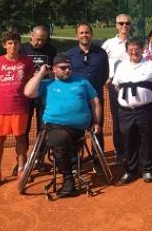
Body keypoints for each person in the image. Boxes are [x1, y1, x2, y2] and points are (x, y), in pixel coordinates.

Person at [24, 54, 102, 197]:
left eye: (69, 68)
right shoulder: (47, 84)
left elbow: (95, 102)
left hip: (78, 129)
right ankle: (68, 179)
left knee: (63, 139)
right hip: (55, 126)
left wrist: (96, 121)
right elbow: (28, 92)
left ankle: (69, 165)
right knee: (60, 138)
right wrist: (41, 73)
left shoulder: (82, 82)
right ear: (54, 69)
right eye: (63, 68)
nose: (67, 70)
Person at [0, 30, 35, 188]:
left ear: (19, 44)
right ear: (4, 45)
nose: (13, 46)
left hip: (20, 107)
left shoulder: (27, 62)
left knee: (20, 138)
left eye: (15, 43)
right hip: (1, 108)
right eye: (10, 43)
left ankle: (22, 169)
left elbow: (29, 82)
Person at [111, 38, 152, 183]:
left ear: (142, 50)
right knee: (128, 140)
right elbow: (117, 86)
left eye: (137, 48)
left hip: (145, 110)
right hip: (125, 111)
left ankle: (147, 170)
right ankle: (130, 171)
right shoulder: (121, 66)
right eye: (131, 49)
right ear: (127, 51)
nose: (134, 51)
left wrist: (143, 97)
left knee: (146, 139)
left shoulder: (151, 65)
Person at [66, 22, 109, 165]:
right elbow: (66, 75)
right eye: (81, 33)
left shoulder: (101, 53)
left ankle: (98, 159)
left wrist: (93, 90)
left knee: (97, 128)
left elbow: (105, 74)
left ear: (91, 34)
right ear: (77, 35)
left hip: (96, 98)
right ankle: (75, 160)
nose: (84, 35)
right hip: (77, 100)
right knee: (75, 130)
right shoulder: (70, 55)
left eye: (87, 32)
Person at [19, 24, 57, 168]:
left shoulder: (51, 50)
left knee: (43, 127)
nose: (40, 42)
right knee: (24, 128)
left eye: (43, 40)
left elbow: (54, 69)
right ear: (31, 35)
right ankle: (22, 161)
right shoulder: (22, 49)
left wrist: (47, 73)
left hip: (44, 94)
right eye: (38, 39)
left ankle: (37, 159)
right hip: (27, 94)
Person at [101, 14, 132, 164]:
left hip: (134, 87)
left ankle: (132, 149)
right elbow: (99, 62)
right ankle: (119, 151)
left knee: (134, 119)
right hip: (115, 87)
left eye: (127, 23)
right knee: (118, 120)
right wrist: (106, 78)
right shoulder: (108, 44)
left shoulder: (136, 43)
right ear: (116, 25)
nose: (124, 26)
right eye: (121, 23)